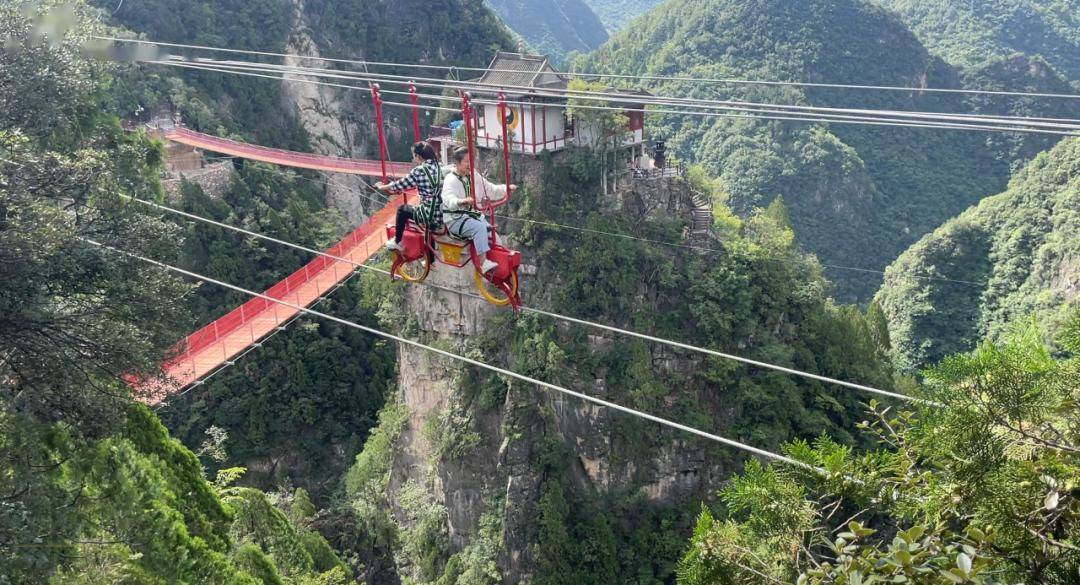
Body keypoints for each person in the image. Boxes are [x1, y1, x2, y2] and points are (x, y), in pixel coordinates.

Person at [441, 147, 515, 274]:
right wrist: (461, 201)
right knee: (479, 228)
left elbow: (490, 189)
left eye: (472, 161)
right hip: (455, 219)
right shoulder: (450, 180)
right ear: (457, 163)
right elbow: (448, 199)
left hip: (472, 216)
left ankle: (498, 260)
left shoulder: (474, 176)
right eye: (466, 162)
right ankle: (483, 262)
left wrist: (506, 189)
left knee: (492, 234)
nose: (470, 165)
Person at [376, 141, 445, 251]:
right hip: (442, 213)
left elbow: (400, 185)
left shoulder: (419, 171)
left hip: (429, 214)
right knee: (426, 221)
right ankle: (431, 257)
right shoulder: (440, 167)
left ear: (418, 156)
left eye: (414, 155)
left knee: (402, 210)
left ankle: (397, 241)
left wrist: (382, 187)